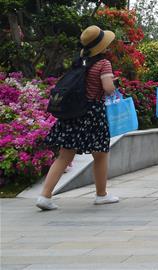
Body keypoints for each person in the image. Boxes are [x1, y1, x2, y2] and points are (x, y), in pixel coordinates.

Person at [37, 26, 120, 210]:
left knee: (64, 156)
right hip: (92, 114)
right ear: (102, 46)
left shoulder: (80, 61)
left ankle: (45, 196)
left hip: (73, 112)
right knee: (100, 154)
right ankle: (101, 194)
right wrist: (114, 84)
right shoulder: (103, 64)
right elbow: (107, 88)